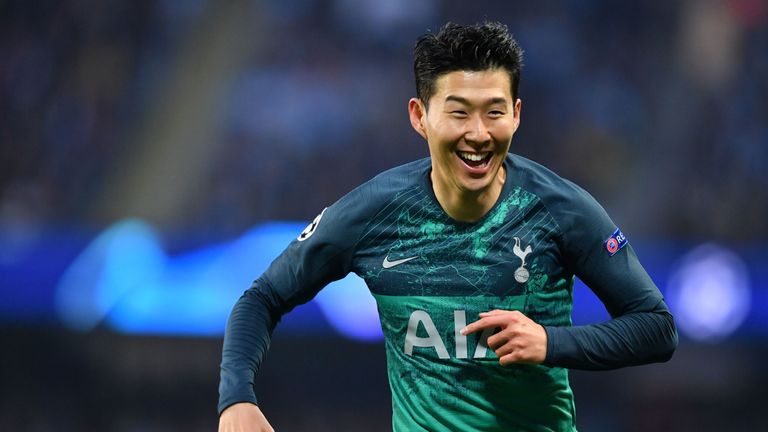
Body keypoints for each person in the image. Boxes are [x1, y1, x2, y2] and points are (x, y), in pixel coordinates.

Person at [218, 21, 677, 432]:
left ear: (516, 114)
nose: (478, 133)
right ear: (420, 116)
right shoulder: (373, 212)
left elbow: (656, 328)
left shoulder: (561, 208)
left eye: (494, 112)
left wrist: (550, 342)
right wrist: (236, 398)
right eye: (459, 112)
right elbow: (262, 298)